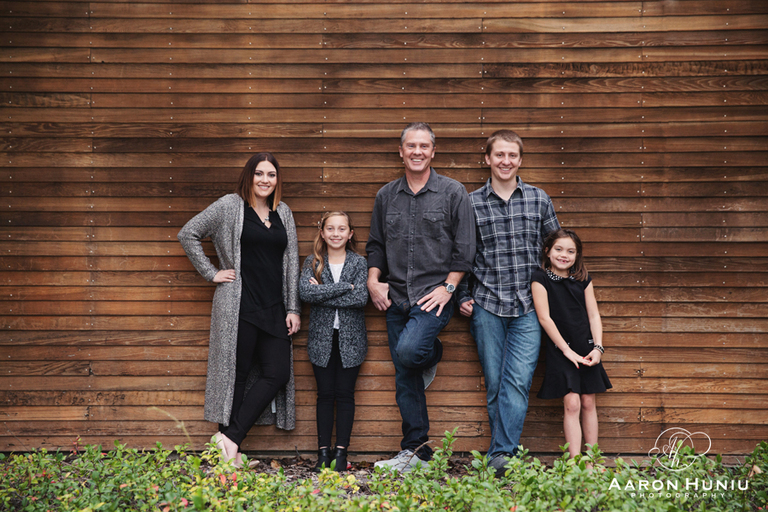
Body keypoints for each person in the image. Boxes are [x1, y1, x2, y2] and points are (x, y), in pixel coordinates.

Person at [177, 152, 300, 467]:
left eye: (271, 175)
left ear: (277, 180)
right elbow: (188, 233)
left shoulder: (282, 212)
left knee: (278, 373)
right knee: (236, 376)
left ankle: (227, 439)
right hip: (238, 306)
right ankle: (230, 453)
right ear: (249, 176)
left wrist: (293, 307)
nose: (265, 180)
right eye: (259, 173)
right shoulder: (230, 206)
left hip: (273, 308)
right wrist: (212, 272)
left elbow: (291, 264)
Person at [367, 122, 476, 472]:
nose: (417, 152)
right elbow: (376, 245)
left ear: (433, 151)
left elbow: (466, 247)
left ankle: (433, 353)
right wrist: (373, 280)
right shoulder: (386, 196)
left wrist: (449, 287)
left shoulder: (453, 192)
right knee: (405, 375)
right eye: (410, 146)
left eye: (423, 146)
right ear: (401, 151)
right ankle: (416, 452)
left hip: (434, 296)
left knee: (411, 353)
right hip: (396, 296)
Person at [458, 129, 560, 476]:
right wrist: (462, 295)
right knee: (495, 382)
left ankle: (502, 456)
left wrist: (556, 297)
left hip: (530, 307)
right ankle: (503, 456)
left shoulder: (538, 199)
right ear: (487, 159)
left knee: (517, 381)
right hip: (486, 304)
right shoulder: (470, 203)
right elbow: (462, 256)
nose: (505, 161)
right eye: (498, 155)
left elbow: (556, 253)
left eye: (512, 155)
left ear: (520, 160)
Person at [532, 228, 612, 459]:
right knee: (572, 403)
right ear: (547, 251)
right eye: (558, 249)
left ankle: (591, 461)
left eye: (570, 251)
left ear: (577, 255)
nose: (564, 255)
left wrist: (598, 347)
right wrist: (567, 351)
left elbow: (594, 316)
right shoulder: (540, 278)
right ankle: (575, 463)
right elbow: (544, 318)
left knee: (588, 401)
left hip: (586, 347)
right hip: (561, 349)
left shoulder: (583, 280)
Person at [299, 211, 369, 473]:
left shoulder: (359, 263)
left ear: (350, 234)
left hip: (351, 339)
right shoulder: (313, 262)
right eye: (330, 228)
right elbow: (306, 292)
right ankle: (323, 453)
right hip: (321, 338)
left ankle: (341, 453)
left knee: (345, 394)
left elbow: (361, 298)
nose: (336, 234)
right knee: (325, 395)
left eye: (342, 229)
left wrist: (323, 293)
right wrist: (345, 287)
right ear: (322, 232)